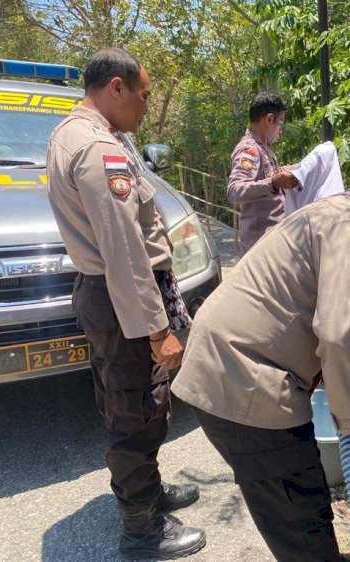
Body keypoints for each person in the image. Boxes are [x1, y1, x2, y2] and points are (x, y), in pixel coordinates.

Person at [170, 143, 350, 562]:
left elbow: (319, 313)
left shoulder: (332, 210)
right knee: (298, 506)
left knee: (292, 500)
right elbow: (341, 333)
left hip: (225, 362)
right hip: (246, 377)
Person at [46, 48, 204, 560]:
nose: (145, 105)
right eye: (142, 94)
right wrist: (158, 331)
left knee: (128, 402)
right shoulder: (98, 149)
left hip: (110, 298)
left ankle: (147, 495)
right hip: (125, 300)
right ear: (116, 87)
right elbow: (125, 252)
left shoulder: (74, 133)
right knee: (135, 412)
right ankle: (142, 532)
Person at [227, 92, 298, 254]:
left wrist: (305, 165)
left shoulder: (263, 148)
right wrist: (272, 184)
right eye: (280, 124)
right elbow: (234, 191)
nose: (280, 131)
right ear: (269, 119)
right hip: (260, 244)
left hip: (271, 239)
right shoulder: (249, 150)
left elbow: (274, 173)